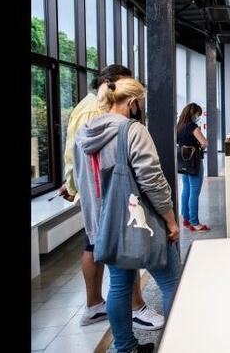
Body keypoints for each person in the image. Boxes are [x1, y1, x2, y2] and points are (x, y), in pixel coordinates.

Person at [74, 78, 181, 353]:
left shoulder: (83, 134)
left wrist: (95, 228)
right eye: (139, 103)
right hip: (140, 224)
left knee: (120, 285)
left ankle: (125, 347)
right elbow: (152, 180)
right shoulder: (133, 131)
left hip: (105, 226)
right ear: (132, 103)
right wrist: (170, 220)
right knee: (172, 282)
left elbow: (82, 181)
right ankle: (176, 344)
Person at [57, 65, 164, 330]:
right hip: (105, 198)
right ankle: (134, 307)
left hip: (97, 195)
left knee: (96, 248)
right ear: (109, 84)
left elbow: (75, 154)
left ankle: (99, 306)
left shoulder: (89, 107)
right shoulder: (98, 112)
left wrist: (72, 183)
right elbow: (86, 156)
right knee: (119, 260)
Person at [176, 103, 210, 231]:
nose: (198, 117)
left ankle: (185, 218)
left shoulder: (179, 126)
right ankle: (195, 223)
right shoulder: (192, 126)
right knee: (194, 192)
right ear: (193, 113)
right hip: (194, 162)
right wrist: (200, 147)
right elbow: (204, 142)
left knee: (186, 189)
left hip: (183, 162)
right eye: (198, 114)